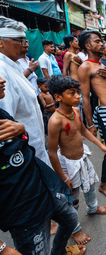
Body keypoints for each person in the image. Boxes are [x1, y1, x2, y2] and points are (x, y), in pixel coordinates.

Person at [0, 75, 85, 255]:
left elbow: (21, 147)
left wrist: (21, 129)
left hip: (44, 189)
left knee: (71, 219)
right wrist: (1, 248)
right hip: (23, 210)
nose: (2, 79)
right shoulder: (56, 120)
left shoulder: (1, 113)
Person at [47, 75, 106, 245]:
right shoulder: (55, 121)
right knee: (72, 200)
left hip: (82, 160)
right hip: (68, 166)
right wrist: (64, 178)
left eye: (78, 93)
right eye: (72, 93)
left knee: (89, 187)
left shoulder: (75, 111)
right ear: (58, 97)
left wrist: (101, 145)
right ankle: (74, 229)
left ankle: (92, 208)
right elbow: (52, 152)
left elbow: (84, 131)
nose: (78, 97)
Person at [78, 30, 106, 198]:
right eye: (98, 41)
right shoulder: (85, 67)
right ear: (88, 46)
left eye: (102, 41)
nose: (102, 44)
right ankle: (104, 184)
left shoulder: (103, 64)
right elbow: (85, 98)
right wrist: (90, 124)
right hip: (105, 113)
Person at [0, 16, 50, 165]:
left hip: (34, 148)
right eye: (19, 40)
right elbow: (6, 121)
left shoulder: (12, 65)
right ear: (1, 42)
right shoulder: (2, 70)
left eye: (25, 39)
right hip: (23, 155)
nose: (25, 45)